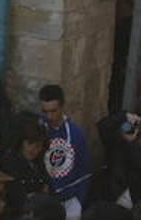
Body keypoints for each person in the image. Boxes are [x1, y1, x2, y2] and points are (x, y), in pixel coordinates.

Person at [40, 83, 91, 218]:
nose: (49, 116)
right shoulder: (38, 129)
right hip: (43, 197)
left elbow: (84, 171)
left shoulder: (77, 134)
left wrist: (78, 200)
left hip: (71, 198)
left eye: (53, 111)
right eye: (45, 111)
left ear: (62, 107)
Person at [0, 115, 53, 219]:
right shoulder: (10, 161)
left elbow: (48, 188)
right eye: (29, 143)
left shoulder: (38, 164)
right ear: (22, 142)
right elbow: (17, 197)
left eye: (38, 146)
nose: (32, 149)